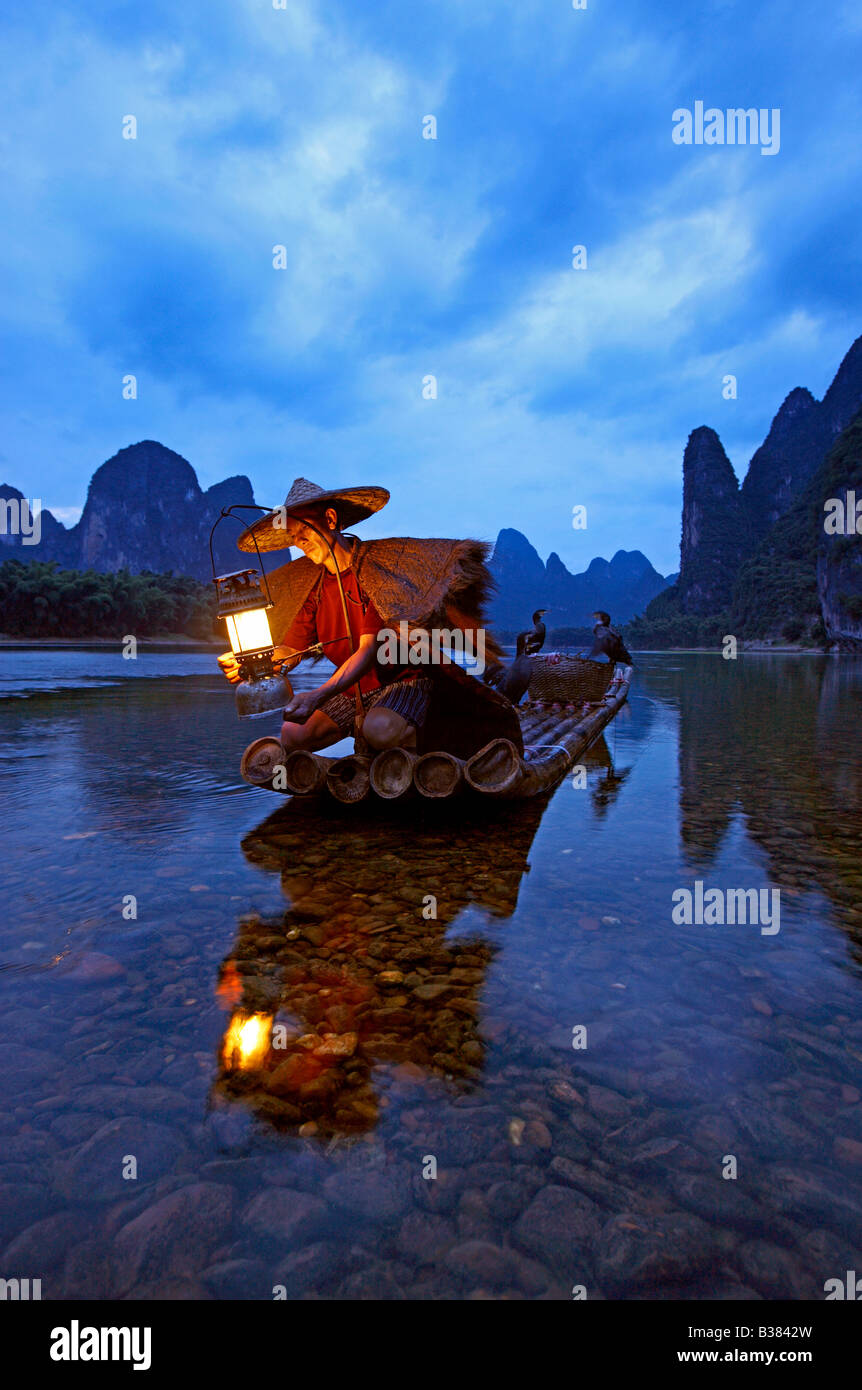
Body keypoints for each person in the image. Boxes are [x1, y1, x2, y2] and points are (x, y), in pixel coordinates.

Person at [219, 477, 521, 759]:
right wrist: (255, 660)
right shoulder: (313, 587)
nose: (300, 543)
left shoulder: (376, 574)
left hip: (401, 683)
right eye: (294, 538)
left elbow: (367, 651)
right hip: (353, 691)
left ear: (331, 520)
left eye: (305, 531)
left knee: (378, 730)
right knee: (293, 734)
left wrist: (318, 694)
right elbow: (291, 651)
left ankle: (425, 751)